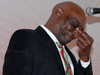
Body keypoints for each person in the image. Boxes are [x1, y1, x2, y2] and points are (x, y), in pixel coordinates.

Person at [3, 1, 94, 75]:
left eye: (80, 31)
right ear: (58, 13)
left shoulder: (70, 57)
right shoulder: (26, 38)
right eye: (74, 25)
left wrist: (85, 58)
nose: (75, 34)